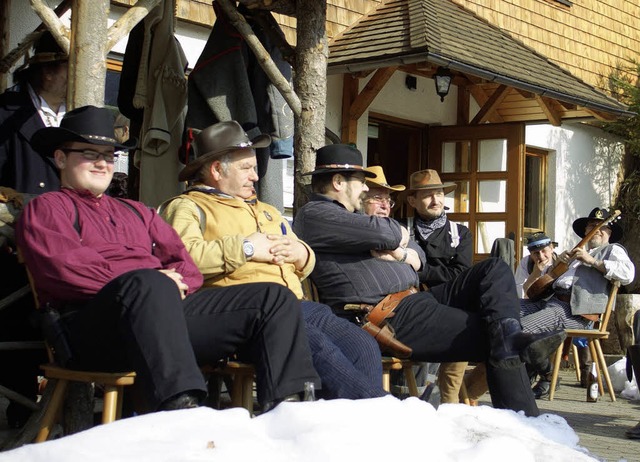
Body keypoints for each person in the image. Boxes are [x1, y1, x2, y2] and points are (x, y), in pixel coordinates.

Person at [16, 106, 320, 414]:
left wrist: (170, 284)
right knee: (149, 282)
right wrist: (150, 279)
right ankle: (182, 411)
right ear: (61, 158)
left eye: (108, 155)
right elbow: (66, 269)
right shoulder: (47, 207)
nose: (102, 163)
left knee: (272, 297)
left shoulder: (137, 211)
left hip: (162, 316)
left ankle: (290, 409)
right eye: (88, 153)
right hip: (93, 330)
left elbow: (186, 265)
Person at [293, 143, 566, 417]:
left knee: (493, 269)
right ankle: (525, 419)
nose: (365, 189)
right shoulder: (317, 214)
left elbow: (414, 251)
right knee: (496, 338)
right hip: (388, 315)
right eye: (362, 183)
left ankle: (510, 336)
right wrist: (397, 241)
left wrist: (399, 251)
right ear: (339, 182)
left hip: (414, 300)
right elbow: (390, 232)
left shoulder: (347, 219)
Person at [160, 121, 386, 400]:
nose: (255, 177)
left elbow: (304, 256)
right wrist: (246, 248)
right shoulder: (188, 206)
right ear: (217, 170)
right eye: (246, 169)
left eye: (254, 168)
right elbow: (183, 259)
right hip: (245, 313)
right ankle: (377, 411)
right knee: (315, 345)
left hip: (300, 305)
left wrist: (302, 254)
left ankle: (355, 423)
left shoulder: (267, 211)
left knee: (362, 343)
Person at [0, 30, 68, 428]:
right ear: (46, 73)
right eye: (66, 68)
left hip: (64, 231)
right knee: (18, 310)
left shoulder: (73, 115)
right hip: (15, 233)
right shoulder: (6, 112)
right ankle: (22, 401)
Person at [520, 208, 635, 398]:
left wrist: (592, 261)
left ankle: (547, 375)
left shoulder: (613, 250)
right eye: (592, 225)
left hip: (577, 312)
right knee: (506, 311)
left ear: (609, 233)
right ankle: (522, 371)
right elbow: (548, 282)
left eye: (602, 227)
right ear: (585, 231)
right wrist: (558, 265)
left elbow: (628, 275)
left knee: (524, 327)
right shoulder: (576, 252)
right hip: (551, 302)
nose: (596, 229)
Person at [405, 169, 474, 405]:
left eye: (439, 193)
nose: (436, 200)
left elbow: (459, 274)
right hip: (409, 303)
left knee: (473, 327)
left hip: (448, 302)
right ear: (412, 201)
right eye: (427, 195)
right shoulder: (401, 229)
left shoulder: (460, 233)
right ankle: (413, 396)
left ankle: (448, 398)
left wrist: (419, 268)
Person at [516, 232, 558, 299]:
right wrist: (534, 275)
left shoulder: (559, 262)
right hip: (532, 301)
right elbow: (521, 292)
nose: (541, 256)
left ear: (551, 248)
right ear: (531, 254)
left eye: (544, 251)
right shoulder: (526, 263)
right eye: (536, 253)